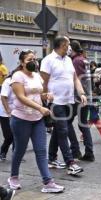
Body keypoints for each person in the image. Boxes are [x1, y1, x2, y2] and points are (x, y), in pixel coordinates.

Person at [8, 49, 64, 193]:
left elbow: (38, 95)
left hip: (37, 119)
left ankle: (48, 182)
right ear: (22, 63)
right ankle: (13, 177)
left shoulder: (37, 76)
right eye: (29, 60)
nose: (33, 62)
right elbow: (21, 97)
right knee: (20, 150)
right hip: (21, 119)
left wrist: (46, 96)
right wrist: (40, 108)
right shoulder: (17, 76)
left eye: (34, 59)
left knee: (41, 151)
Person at [40, 36, 84, 174]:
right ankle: (70, 162)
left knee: (60, 129)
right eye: (68, 44)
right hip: (56, 102)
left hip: (69, 101)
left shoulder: (69, 60)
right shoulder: (48, 60)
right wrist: (45, 98)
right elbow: (43, 82)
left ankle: (51, 158)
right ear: (62, 45)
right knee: (63, 131)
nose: (70, 47)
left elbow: (75, 78)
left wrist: (81, 93)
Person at [69, 40, 94, 161]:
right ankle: (89, 152)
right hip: (87, 95)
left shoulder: (76, 61)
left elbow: (76, 80)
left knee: (67, 122)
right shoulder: (84, 59)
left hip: (79, 96)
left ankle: (76, 150)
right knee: (83, 123)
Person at [0, 74, 14, 161]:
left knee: (17, 135)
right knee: (9, 136)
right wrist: (8, 111)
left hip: (17, 112)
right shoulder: (8, 81)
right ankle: (2, 152)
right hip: (5, 113)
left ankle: (16, 153)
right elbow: (3, 97)